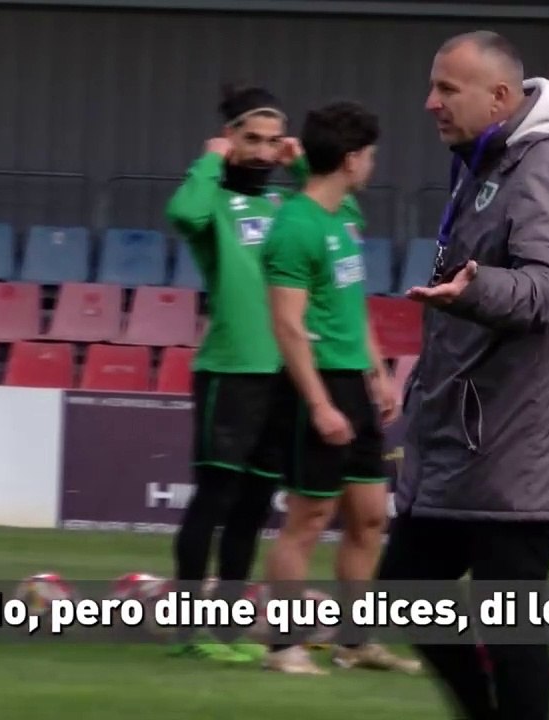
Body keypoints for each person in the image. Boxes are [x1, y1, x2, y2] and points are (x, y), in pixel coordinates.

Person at [379, 31, 549, 720]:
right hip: (470, 437)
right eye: (433, 86)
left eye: (448, 89)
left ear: (501, 98)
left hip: (518, 444)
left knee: (511, 624)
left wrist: (476, 291)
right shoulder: (490, 165)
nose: (430, 104)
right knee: (406, 592)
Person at [260, 100, 420, 676]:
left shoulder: (341, 220)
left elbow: (352, 311)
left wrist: (377, 374)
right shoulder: (295, 227)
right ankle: (283, 647)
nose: (373, 164)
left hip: (353, 382)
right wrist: (320, 404)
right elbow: (287, 326)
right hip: (317, 386)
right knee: (307, 520)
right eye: (370, 154)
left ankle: (355, 642)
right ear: (352, 160)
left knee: (371, 517)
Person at [164, 85, 307, 664]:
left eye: (274, 141)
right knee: (214, 500)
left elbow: (339, 223)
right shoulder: (215, 202)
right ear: (230, 141)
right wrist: (209, 158)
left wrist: (306, 169)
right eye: (251, 139)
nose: (264, 151)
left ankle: (224, 627)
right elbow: (182, 213)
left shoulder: (285, 208)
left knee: (253, 507)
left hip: (283, 373)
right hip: (231, 369)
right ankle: (188, 628)